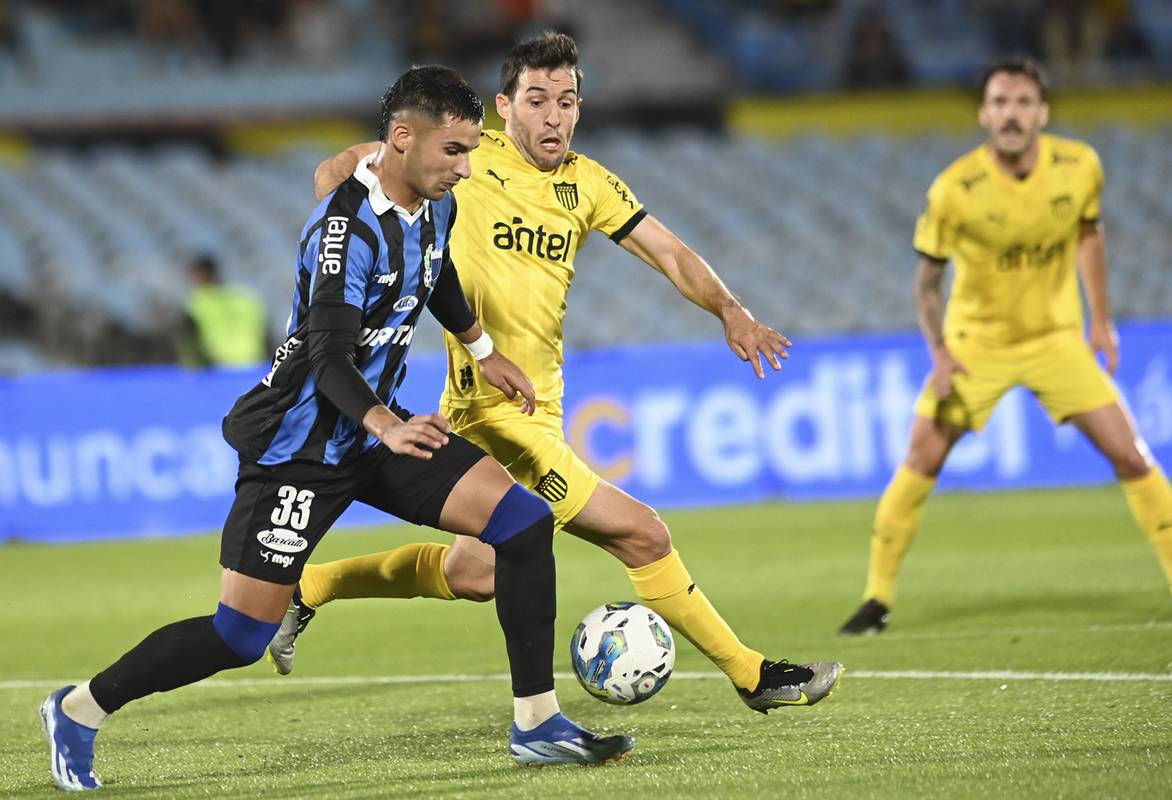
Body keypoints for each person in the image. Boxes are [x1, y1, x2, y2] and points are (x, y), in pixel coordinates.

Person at [39, 65, 633, 793]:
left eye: (472, 150)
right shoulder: (344, 228)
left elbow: (435, 274)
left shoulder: (437, 202)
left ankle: (537, 723)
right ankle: (79, 708)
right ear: (402, 138)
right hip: (301, 448)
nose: (466, 167)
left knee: (520, 523)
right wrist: (385, 422)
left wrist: (484, 349)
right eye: (454, 151)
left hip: (377, 435)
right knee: (239, 636)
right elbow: (326, 355)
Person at [269, 31, 843, 714]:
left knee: (476, 571)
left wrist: (731, 310)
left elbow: (670, 252)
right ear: (504, 108)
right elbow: (332, 173)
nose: (554, 117)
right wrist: (380, 239)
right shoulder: (464, 157)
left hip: (537, 405)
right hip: (491, 408)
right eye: (537, 100)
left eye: (567, 101)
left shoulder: (588, 183)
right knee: (642, 533)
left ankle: (308, 588)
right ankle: (755, 678)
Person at [839, 56, 1172, 635]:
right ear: (984, 113)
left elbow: (1089, 234)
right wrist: (940, 352)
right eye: (1001, 102)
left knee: (1131, 454)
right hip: (976, 343)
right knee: (921, 458)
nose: (1012, 114)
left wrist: (1101, 320)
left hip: (1055, 339)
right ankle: (876, 599)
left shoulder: (1079, 167)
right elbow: (927, 284)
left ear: (1043, 112)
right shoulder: (955, 189)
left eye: (1023, 103)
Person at [178, 253, 268, 367]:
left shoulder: (195, 303)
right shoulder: (246, 297)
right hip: (253, 364)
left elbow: (189, 344)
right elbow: (264, 334)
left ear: (200, 274)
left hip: (216, 368)